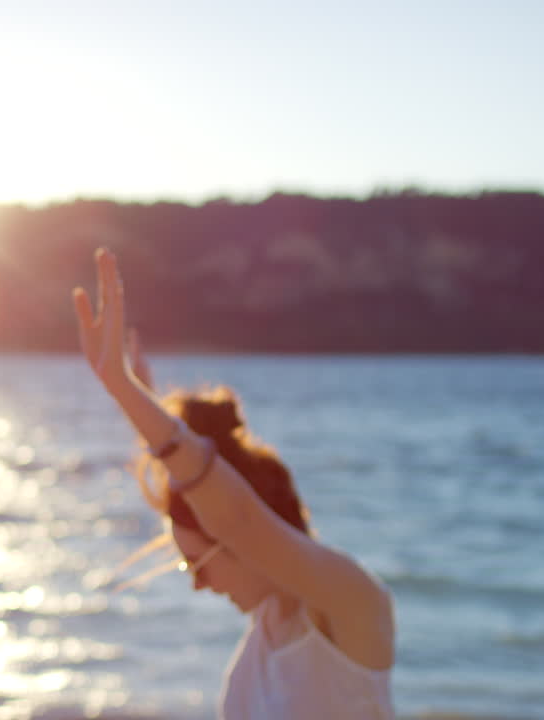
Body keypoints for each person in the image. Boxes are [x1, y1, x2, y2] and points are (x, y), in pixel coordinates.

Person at [72, 248, 396, 719]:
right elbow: (213, 501)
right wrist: (148, 414)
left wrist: (126, 392)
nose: (199, 586)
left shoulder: (351, 606)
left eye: (197, 566)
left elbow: (237, 517)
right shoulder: (260, 645)